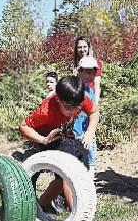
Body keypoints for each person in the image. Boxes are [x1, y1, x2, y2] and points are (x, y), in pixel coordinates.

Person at [19, 76, 99, 212]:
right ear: (58, 100)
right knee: (68, 166)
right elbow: (23, 127)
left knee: (81, 159)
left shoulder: (80, 97)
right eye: (68, 107)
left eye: (77, 107)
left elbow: (94, 112)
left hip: (63, 136)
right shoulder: (46, 111)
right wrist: (43, 139)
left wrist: (90, 132)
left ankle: (42, 203)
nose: (73, 111)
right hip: (46, 137)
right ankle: (76, 212)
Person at [73, 57, 100, 176]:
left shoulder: (90, 90)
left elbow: (93, 112)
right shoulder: (73, 89)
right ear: (80, 71)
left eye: (94, 72)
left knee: (90, 161)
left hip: (87, 132)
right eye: (88, 72)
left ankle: (89, 181)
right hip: (74, 133)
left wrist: (90, 132)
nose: (92, 75)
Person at [73, 36, 102, 104]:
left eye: (84, 46)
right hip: (78, 98)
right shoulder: (75, 64)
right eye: (80, 47)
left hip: (90, 97)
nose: (82, 49)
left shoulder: (95, 63)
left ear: (89, 48)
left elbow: (97, 85)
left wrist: (95, 103)